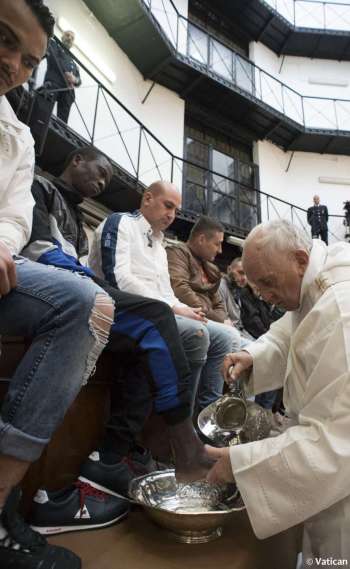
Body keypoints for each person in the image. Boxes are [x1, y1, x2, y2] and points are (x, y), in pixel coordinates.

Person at [23, 149, 212, 502]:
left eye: (108, 179)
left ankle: (116, 454)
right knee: (155, 320)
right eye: (101, 172)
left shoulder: (79, 217)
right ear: (76, 158)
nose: (103, 181)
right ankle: (181, 442)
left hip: (84, 289)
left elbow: (164, 290)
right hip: (51, 288)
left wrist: (179, 307)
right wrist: (169, 307)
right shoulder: (39, 188)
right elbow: (39, 248)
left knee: (160, 331)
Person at [0, 2, 117, 568]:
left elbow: (13, 221)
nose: (15, 65)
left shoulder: (18, 137)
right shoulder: (57, 192)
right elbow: (41, 242)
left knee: (91, 304)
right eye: (4, 40)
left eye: (29, 60)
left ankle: (9, 495)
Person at [206, 219, 350, 563]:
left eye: (268, 283)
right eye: (256, 287)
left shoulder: (342, 315)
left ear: (300, 259)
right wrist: (253, 356)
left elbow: (339, 444)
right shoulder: (317, 276)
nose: (264, 296)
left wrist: (242, 466)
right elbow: (292, 330)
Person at [89, 181, 237, 414]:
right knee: (198, 334)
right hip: (123, 310)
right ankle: (179, 425)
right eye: (168, 206)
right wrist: (174, 308)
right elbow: (118, 279)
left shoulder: (159, 244)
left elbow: (166, 291)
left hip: (158, 311)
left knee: (224, 337)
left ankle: (205, 418)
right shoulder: (121, 223)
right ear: (147, 199)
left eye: (176, 210)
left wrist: (186, 309)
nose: (172, 215)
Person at [166, 215, 241, 410]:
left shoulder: (212, 268)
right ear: (201, 239)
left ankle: (227, 412)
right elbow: (179, 288)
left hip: (206, 319)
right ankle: (208, 410)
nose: (220, 250)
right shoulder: (177, 252)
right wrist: (212, 314)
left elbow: (221, 307)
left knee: (252, 348)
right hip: (188, 316)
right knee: (229, 336)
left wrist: (215, 315)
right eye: (217, 244)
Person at [43, 30, 81, 123]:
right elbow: (53, 59)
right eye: (68, 35)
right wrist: (66, 73)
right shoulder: (54, 44)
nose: (69, 38)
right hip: (53, 84)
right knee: (43, 114)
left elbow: (79, 80)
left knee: (62, 121)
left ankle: (61, 127)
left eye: (72, 38)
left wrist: (75, 79)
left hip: (67, 92)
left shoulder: (73, 62)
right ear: (62, 37)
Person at [219, 257, 254, 341]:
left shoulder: (238, 290)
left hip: (240, 332)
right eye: (241, 273)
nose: (244, 278)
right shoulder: (220, 287)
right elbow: (222, 320)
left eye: (247, 275)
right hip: (230, 334)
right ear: (229, 269)